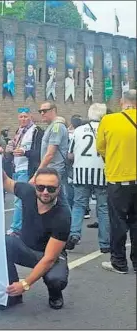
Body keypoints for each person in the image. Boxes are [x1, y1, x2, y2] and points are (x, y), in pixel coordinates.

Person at [0, 168, 70, 310]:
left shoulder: (63, 215)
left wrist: (25, 284)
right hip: (25, 246)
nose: (45, 192)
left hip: (49, 255)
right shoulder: (27, 192)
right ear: (35, 185)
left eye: (51, 188)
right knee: (0, 244)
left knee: (56, 279)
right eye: (40, 187)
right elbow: (5, 180)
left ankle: (55, 293)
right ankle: (13, 294)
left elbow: (49, 258)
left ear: (59, 189)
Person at [97, 89, 137, 274]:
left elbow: (101, 148)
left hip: (118, 179)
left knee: (118, 223)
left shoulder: (109, 120)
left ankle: (119, 263)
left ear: (122, 101)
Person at [67, 103, 109, 253]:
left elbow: (70, 154)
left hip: (81, 172)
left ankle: (74, 234)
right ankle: (105, 243)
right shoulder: (107, 128)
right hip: (102, 172)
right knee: (103, 208)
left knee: (78, 205)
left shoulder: (78, 130)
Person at [5, 107, 43, 235]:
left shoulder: (36, 131)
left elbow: (39, 153)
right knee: (23, 199)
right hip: (16, 168)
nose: (23, 119)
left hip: (26, 169)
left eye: (25, 116)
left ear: (31, 117)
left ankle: (16, 228)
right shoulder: (19, 131)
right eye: (21, 117)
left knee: (19, 199)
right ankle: (25, 227)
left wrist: (25, 152)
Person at [30, 102, 70, 205]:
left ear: (53, 110)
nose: (42, 113)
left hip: (55, 170)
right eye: (40, 111)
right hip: (51, 169)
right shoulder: (52, 126)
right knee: (53, 202)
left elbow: (50, 154)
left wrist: (37, 173)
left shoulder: (57, 127)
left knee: (58, 202)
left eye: (44, 111)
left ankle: (65, 221)